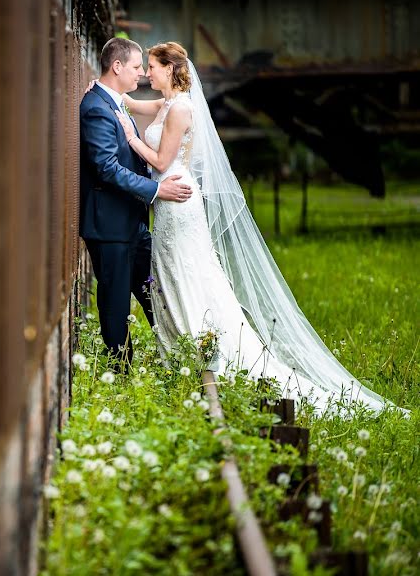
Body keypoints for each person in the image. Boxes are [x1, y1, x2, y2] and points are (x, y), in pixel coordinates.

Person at [97, 41, 404, 415]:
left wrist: (129, 138)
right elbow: (130, 105)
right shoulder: (166, 104)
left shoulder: (180, 109)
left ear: (170, 69)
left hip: (174, 197)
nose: (147, 73)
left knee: (188, 274)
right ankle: (186, 348)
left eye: (153, 66)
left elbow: (162, 161)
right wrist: (108, 95)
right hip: (165, 205)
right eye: (142, 67)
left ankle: (207, 349)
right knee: (175, 275)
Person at [78, 38, 194, 369]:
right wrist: (156, 191)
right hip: (110, 223)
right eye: (135, 67)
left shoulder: (113, 101)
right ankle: (120, 371)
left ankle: (177, 355)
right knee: (115, 303)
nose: (142, 73)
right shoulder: (97, 108)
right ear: (117, 67)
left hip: (132, 221)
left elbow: (156, 105)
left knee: (156, 292)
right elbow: (106, 167)